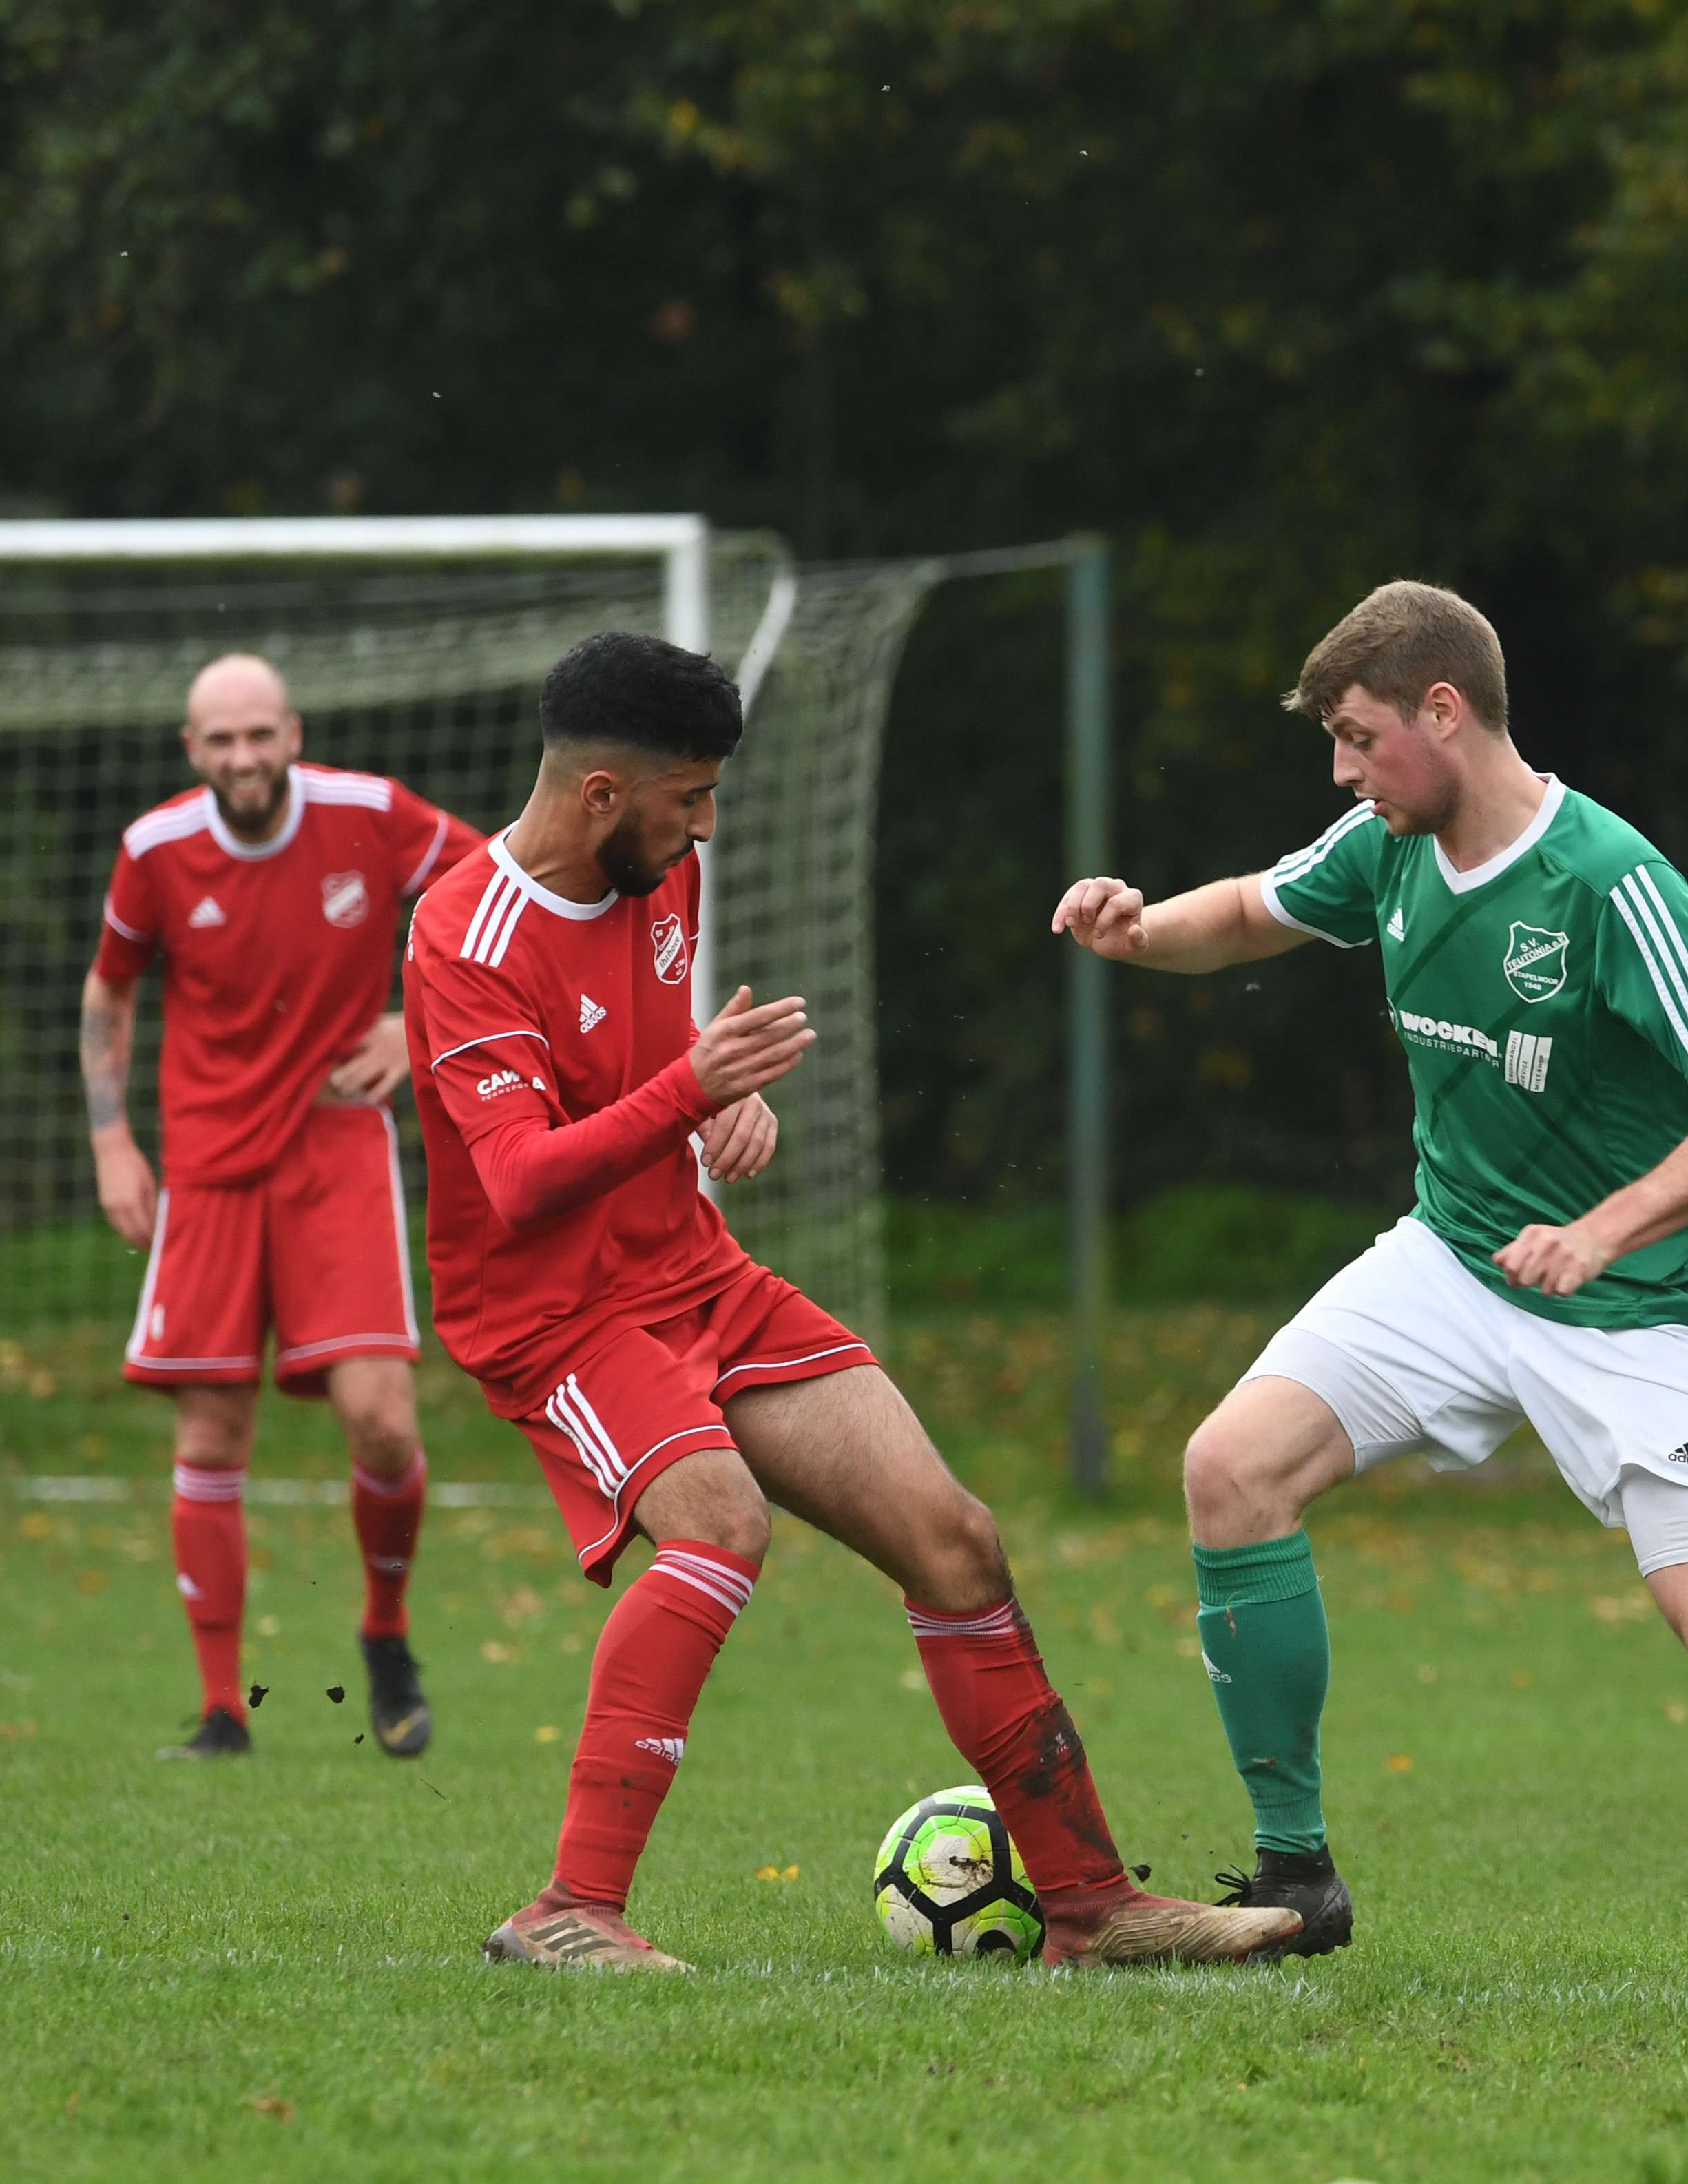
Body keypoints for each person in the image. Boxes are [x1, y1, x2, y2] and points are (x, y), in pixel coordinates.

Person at [1053, 579, 1688, 1990]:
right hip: (1450, 1259)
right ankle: (1298, 1872)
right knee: (1231, 1469)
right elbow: (1250, 909)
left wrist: (1604, 1228)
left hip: (1629, 1310)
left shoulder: (1610, 882)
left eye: (1359, 738)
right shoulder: (1389, 841)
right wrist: (1139, 928)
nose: (1343, 772)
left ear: (1444, 711)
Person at [407, 630, 1300, 1971]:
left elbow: (651, 1062)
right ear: (601, 794)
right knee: (718, 1523)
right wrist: (687, 1095)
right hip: (558, 1313)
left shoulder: (666, 870)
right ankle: (569, 1908)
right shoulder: (463, 936)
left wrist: (723, 1096)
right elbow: (522, 1180)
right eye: (689, 796)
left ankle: (1092, 1903)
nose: (706, 823)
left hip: (695, 1270)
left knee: (957, 1537)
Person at [85, 653, 481, 1763]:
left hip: (334, 1145)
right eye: (222, 741)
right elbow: (109, 989)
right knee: (211, 1432)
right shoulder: (155, 851)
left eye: (261, 735)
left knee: (384, 1420)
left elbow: (500, 883)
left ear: (293, 731)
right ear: (191, 750)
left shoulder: (369, 815)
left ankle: (387, 1633)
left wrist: (418, 1021)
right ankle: (223, 1712)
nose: (244, 758)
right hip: (207, 1166)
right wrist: (113, 1140)